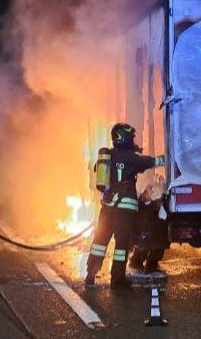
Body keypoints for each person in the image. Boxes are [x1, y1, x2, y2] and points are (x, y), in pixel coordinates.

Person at [84, 123, 164, 289]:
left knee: (100, 241)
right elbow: (150, 162)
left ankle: (91, 273)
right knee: (121, 246)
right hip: (124, 211)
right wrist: (167, 158)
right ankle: (117, 280)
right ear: (126, 138)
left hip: (106, 208)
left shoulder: (108, 156)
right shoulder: (130, 158)